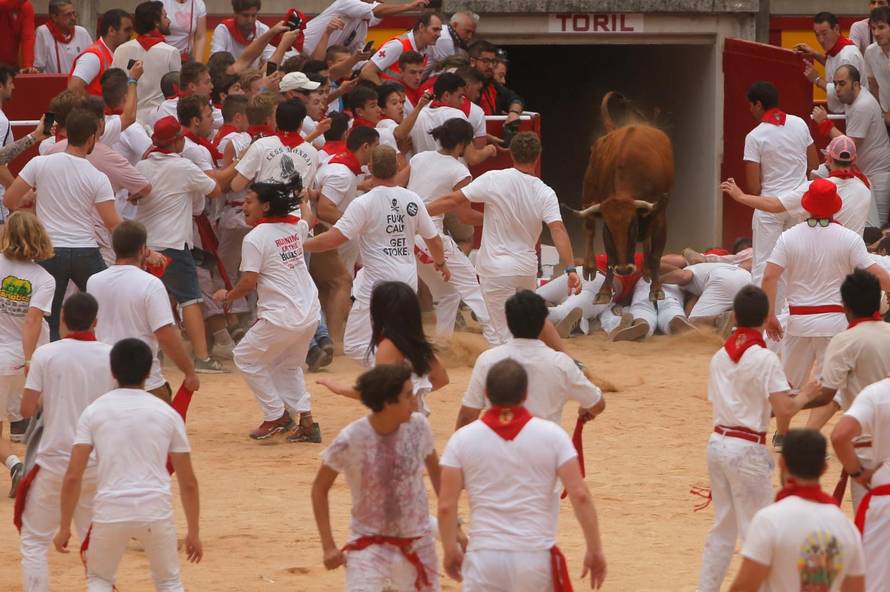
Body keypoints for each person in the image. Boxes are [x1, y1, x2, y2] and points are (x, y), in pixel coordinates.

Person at [439, 358, 607, 591]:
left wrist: (449, 549)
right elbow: (580, 495)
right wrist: (595, 549)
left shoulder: (462, 439)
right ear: (526, 394)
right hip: (534, 554)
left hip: (484, 556)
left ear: (486, 393)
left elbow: (446, 505)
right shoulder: (551, 435)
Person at [52, 338, 202, 592]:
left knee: (100, 580)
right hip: (155, 510)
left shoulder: (94, 411)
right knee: (168, 582)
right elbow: (188, 482)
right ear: (148, 373)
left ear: (112, 371)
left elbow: (73, 475)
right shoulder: (167, 414)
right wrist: (193, 532)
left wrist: (65, 525)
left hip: (111, 510)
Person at [698, 285, 814, 592]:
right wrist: (805, 395)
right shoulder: (765, 359)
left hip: (718, 442)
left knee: (723, 529)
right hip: (747, 449)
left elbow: (738, 404)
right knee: (758, 532)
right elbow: (784, 408)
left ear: (734, 316)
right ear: (765, 318)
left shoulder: (719, 357)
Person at [763, 178, 890, 444]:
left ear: (807, 206)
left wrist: (770, 315)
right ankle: (809, 435)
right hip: (834, 322)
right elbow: (876, 272)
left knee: (788, 382)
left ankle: (783, 435)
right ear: (835, 207)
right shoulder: (848, 238)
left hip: (797, 319)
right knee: (826, 387)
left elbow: (770, 276)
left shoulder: (789, 236)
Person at [426, 132, 580, 347]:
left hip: (496, 270)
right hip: (526, 269)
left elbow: (452, 200)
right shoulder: (545, 192)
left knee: (503, 338)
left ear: (512, 155)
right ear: (537, 157)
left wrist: (417, 212)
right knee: (528, 328)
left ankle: (515, 374)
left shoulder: (494, 178)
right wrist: (570, 268)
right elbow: (558, 229)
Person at [304, 145, 448, 362]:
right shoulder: (412, 199)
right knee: (398, 337)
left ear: (369, 168)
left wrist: (302, 244)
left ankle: (388, 372)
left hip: (377, 285)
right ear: (397, 166)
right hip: (407, 282)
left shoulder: (363, 203)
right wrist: (440, 263)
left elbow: (334, 238)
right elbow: (434, 239)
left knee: (354, 345)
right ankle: (402, 369)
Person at [312, 364, 441, 591]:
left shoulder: (419, 426)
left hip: (418, 543)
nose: (415, 402)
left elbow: (439, 479)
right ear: (388, 402)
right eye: (408, 395)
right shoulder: (351, 438)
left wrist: (454, 528)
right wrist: (328, 545)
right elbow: (319, 489)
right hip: (369, 547)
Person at [16, 293, 114, 592]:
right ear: (96, 322)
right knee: (94, 543)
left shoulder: (47, 354)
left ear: (61, 320)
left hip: (55, 459)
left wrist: (50, 394)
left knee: (34, 541)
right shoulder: (111, 354)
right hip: (97, 462)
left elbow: (27, 410)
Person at [214, 179, 322, 442]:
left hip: (281, 315)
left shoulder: (255, 238)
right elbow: (308, 218)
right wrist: (304, 199)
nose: (244, 206)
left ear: (266, 206)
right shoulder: (294, 227)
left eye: (249, 201)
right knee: (288, 367)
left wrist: (227, 296)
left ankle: (276, 416)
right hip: (309, 312)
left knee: (245, 357)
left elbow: (249, 281)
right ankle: (306, 422)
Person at [3, 108, 119, 341]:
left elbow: (10, 200)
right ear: (91, 138)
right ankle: (104, 353)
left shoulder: (40, 164)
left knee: (48, 314)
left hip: (50, 250)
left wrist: (33, 198)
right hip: (85, 250)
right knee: (109, 304)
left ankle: (51, 360)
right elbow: (113, 224)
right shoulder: (97, 177)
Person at [793, 269, 890, 510]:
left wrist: (790, 404)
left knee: (870, 523)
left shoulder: (845, 341)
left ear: (845, 306)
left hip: (867, 446)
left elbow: (826, 394)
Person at [135, 116, 224, 373]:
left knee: (149, 301)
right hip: (173, 244)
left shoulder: (142, 166)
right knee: (190, 300)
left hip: (143, 246)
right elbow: (215, 189)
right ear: (176, 141)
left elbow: (133, 195)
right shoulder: (184, 166)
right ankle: (202, 357)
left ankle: (154, 356)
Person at [728, 429, 865, 592]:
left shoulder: (769, 520)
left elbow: (744, 588)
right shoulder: (846, 527)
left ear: (782, 463)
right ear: (824, 468)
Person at [455, 289, 604, 431]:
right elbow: (598, 404)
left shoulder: (487, 360)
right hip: (544, 449)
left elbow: (467, 417)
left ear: (508, 321)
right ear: (543, 323)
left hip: (499, 448)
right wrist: (587, 408)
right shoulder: (561, 363)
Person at [87, 221, 200, 402]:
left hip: (106, 377)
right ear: (142, 250)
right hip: (145, 381)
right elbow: (165, 335)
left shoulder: (94, 281)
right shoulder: (151, 284)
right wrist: (189, 372)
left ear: (115, 248)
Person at [407, 118, 497, 343]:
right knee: (471, 285)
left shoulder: (419, 158)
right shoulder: (460, 170)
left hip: (406, 237)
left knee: (448, 293)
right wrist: (496, 219)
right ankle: (497, 339)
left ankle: (443, 342)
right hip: (430, 237)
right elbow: (465, 216)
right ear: (462, 144)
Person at [318, 281, 449, 416]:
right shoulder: (419, 344)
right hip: (417, 422)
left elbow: (377, 390)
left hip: (395, 423)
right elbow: (442, 379)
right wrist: (414, 391)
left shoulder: (389, 347)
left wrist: (337, 388)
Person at [742, 81, 817, 287]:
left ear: (758, 105)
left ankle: (761, 316)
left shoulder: (754, 136)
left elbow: (753, 187)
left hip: (769, 207)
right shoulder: (800, 123)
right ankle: (788, 314)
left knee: (763, 265)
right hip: (797, 204)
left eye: (750, 105)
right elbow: (814, 164)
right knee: (794, 263)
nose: (750, 110)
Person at [724, 134, 872, 236]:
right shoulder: (865, 189)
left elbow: (775, 205)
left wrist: (741, 196)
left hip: (820, 265)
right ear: (854, 160)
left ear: (828, 159)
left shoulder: (817, 189)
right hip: (852, 269)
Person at [0, 212, 53, 498]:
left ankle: (16, 466)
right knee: (44, 415)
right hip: (28, 360)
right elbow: (32, 320)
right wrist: (30, 359)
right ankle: (42, 470)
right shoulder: (43, 278)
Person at [310, 124, 378, 342]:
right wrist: (354, 223)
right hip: (322, 234)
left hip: (323, 236)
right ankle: (336, 340)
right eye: (376, 146)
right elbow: (325, 209)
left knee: (327, 288)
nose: (377, 151)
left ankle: (326, 338)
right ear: (365, 146)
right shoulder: (342, 173)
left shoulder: (343, 167)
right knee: (342, 282)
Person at [832, 366, 890, 591]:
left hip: (885, 490)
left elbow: (839, 435)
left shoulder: (877, 392)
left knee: (874, 577)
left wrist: (856, 472)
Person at [813, 64, 890, 227]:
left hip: (878, 173)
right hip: (866, 172)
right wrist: (817, 80)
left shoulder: (862, 106)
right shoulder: (851, 93)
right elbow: (833, 88)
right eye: (835, 84)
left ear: (856, 84)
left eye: (841, 84)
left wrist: (825, 123)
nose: (837, 88)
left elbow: (848, 147)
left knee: (877, 228)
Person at [111, 1, 181, 124]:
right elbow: (177, 92)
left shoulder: (121, 50)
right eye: (165, 16)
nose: (169, 21)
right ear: (156, 22)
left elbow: (112, 87)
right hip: (160, 121)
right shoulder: (171, 52)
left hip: (127, 120)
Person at [231, 98, 319, 190]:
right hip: (297, 203)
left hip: (266, 203)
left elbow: (236, 186)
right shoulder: (314, 153)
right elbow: (307, 190)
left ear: (276, 121)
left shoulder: (260, 145)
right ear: (301, 123)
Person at [409, 73, 494, 164]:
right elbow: (473, 158)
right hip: (451, 176)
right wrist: (489, 149)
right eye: (460, 96)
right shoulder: (457, 116)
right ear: (446, 96)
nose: (462, 102)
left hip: (421, 174)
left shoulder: (416, 115)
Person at [794, 12, 866, 114]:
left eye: (824, 33)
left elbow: (846, 92)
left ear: (836, 29)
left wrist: (817, 79)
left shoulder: (847, 56)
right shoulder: (839, 51)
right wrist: (814, 53)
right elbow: (835, 66)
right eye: (817, 35)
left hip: (853, 114)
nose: (821, 40)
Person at [302, 0, 430, 56]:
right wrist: (409, 6)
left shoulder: (362, 28)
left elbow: (355, 54)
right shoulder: (346, 2)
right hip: (297, 52)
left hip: (316, 62)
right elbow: (376, 11)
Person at [360, 11, 443, 85]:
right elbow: (367, 72)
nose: (439, 34)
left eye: (440, 30)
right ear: (421, 27)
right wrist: (386, 94)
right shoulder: (398, 45)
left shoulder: (425, 51)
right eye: (435, 29)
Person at [67, 9, 133, 96]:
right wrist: (95, 107)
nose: (131, 34)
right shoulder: (92, 57)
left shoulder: (115, 53)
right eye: (127, 30)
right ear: (111, 30)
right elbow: (74, 88)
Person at [467, 39, 523, 122]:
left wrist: (514, 112)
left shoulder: (492, 83)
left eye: (493, 61)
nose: (490, 66)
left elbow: (514, 99)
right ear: (472, 61)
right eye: (485, 61)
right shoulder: (462, 81)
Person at [211, 0, 277, 68]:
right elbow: (217, 64)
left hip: (254, 77)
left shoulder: (264, 30)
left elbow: (270, 62)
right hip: (228, 77)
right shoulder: (223, 30)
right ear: (235, 13)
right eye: (245, 15)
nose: (250, 20)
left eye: (254, 15)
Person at [33, 0, 91, 74]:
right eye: (68, 15)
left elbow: (91, 62)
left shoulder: (82, 32)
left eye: (74, 13)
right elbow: (38, 68)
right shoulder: (43, 32)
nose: (73, 18)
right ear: (54, 17)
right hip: (54, 84)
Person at [864, 6, 890, 116]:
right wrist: (882, 111)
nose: (876, 33)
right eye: (873, 28)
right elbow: (872, 84)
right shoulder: (870, 52)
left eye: (881, 27)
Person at [0, 0, 36, 71]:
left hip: (10, 66)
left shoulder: (26, 6)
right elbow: (6, 5)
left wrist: (27, 65)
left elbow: (28, 38)